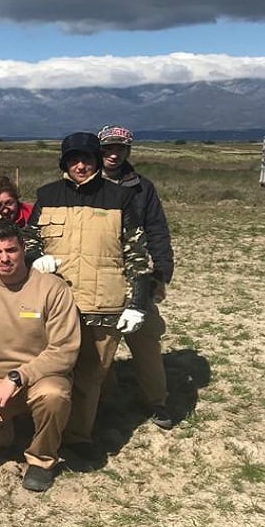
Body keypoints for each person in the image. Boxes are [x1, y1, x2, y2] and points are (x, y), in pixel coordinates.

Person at [24, 132, 151, 466]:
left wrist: (137, 302)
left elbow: (137, 254)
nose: (80, 166)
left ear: (97, 161)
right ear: (64, 163)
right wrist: (35, 256)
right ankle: (42, 433)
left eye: (88, 159)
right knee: (50, 373)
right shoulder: (47, 195)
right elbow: (28, 239)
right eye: (74, 160)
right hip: (53, 305)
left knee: (91, 376)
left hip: (103, 304)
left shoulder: (120, 198)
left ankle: (78, 437)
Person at [0, 221, 80, 491]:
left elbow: (64, 349)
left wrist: (18, 377)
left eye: (11, 250)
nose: (4, 258)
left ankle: (42, 459)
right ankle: (5, 431)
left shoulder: (52, 288)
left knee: (55, 395)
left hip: (39, 379)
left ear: (23, 249)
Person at [98, 124, 175, 429]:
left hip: (138, 274)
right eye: (108, 148)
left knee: (146, 340)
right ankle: (103, 402)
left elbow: (158, 230)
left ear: (128, 151)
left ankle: (157, 402)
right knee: (99, 347)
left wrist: (162, 273)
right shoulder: (87, 185)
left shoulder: (143, 188)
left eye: (120, 149)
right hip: (100, 274)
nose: (114, 154)